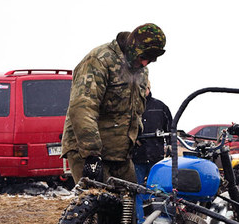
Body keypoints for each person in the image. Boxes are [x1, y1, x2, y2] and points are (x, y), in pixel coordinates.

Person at [61, 23, 166, 184]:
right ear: (133, 47)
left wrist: (136, 135)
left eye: (150, 60)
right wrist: (91, 155)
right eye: (143, 57)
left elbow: (135, 109)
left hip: (120, 155)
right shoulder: (100, 61)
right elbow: (83, 108)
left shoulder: (142, 71)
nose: (145, 63)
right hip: (87, 152)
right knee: (98, 198)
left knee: (130, 197)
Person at [133, 81, 172, 185]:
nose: (142, 91)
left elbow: (170, 128)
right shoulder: (132, 107)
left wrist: (170, 145)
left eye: (144, 88)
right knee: (136, 186)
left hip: (156, 156)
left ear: (149, 89)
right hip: (137, 156)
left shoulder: (161, 107)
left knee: (156, 187)